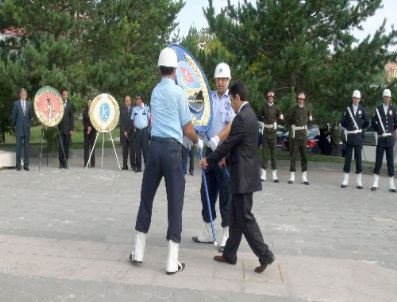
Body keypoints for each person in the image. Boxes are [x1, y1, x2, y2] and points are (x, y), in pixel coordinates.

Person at [130, 47, 203, 275]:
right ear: (175, 70)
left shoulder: (154, 92)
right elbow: (187, 127)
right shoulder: (179, 93)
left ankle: (138, 252)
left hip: (154, 149)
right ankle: (172, 262)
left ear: (160, 68)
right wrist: (198, 141)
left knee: (146, 199)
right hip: (173, 151)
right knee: (175, 203)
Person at [199, 81, 275, 273]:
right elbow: (243, 146)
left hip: (243, 177)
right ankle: (230, 254)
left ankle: (265, 254)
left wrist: (209, 159)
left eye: (231, 100)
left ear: (238, 98)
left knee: (245, 218)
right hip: (242, 172)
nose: (230, 104)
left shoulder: (241, 118)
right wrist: (228, 159)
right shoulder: (251, 115)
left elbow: (229, 144)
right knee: (234, 217)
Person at [192, 62, 235, 252]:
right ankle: (209, 230)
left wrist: (219, 137)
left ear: (228, 80)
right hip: (209, 150)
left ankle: (226, 233)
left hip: (224, 150)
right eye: (218, 79)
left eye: (224, 79)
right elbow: (196, 112)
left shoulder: (231, 99)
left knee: (225, 192)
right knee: (206, 190)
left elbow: (232, 125)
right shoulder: (208, 97)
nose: (221, 82)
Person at [340, 90, 369, 189]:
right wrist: (349, 127)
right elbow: (343, 122)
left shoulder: (362, 109)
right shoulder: (348, 109)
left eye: (357, 98)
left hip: (358, 137)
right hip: (350, 137)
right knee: (347, 159)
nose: (355, 100)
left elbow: (367, 121)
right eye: (354, 98)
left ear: (359, 99)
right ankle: (345, 180)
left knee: (358, 159)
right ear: (352, 99)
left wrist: (360, 128)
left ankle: (359, 181)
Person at [370, 89, 397, 192]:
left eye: (388, 97)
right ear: (383, 97)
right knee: (378, 161)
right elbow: (373, 123)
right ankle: (375, 183)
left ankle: (391, 185)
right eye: (385, 97)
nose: (386, 98)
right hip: (381, 139)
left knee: (390, 162)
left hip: (389, 139)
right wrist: (380, 131)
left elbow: (396, 123)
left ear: (390, 98)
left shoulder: (393, 109)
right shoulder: (378, 109)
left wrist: (389, 131)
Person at [258, 91, 284, 182]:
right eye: (269, 97)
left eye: (272, 97)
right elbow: (259, 116)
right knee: (264, 154)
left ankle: (274, 176)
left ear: (273, 98)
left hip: (273, 132)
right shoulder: (264, 107)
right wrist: (262, 122)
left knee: (273, 154)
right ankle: (263, 175)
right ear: (267, 98)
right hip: (265, 132)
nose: (270, 98)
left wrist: (278, 122)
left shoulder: (276, 108)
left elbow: (281, 117)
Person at [288, 92, 313, 185]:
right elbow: (289, 119)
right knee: (293, 155)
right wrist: (293, 127)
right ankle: (292, 176)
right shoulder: (294, 109)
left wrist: (309, 122)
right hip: (296, 134)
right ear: (297, 99)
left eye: (302, 99)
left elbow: (310, 121)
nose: (301, 100)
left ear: (304, 100)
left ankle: (304, 177)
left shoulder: (307, 109)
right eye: (299, 99)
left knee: (304, 156)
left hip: (303, 134)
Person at [12, 88, 32, 171]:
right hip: (19, 129)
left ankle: (26, 165)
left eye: (25, 94)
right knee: (18, 147)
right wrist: (15, 126)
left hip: (26, 129)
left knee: (27, 148)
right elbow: (14, 117)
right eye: (22, 94)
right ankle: (18, 165)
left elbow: (30, 116)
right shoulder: (16, 104)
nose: (24, 96)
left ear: (26, 95)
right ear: (20, 95)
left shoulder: (29, 104)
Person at [132, 94, 150, 173]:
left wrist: (147, 128)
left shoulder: (146, 108)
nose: (137, 101)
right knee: (137, 150)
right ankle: (138, 167)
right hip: (137, 131)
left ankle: (147, 168)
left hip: (144, 131)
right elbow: (133, 119)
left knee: (145, 150)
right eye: (136, 99)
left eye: (139, 99)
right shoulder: (134, 109)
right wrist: (134, 127)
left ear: (141, 100)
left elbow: (149, 119)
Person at [57, 89, 74, 169]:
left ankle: (65, 162)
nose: (64, 96)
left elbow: (72, 118)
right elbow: (56, 115)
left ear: (67, 95)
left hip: (68, 129)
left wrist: (72, 129)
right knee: (61, 146)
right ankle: (60, 163)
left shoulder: (70, 105)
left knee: (67, 146)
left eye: (66, 94)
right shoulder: (59, 104)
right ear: (62, 95)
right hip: (60, 128)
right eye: (63, 94)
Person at [120, 95, 136, 170]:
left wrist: (128, 131)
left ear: (130, 101)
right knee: (124, 151)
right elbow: (121, 122)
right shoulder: (122, 111)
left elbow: (133, 122)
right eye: (126, 101)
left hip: (131, 133)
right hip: (124, 134)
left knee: (132, 151)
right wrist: (124, 131)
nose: (127, 102)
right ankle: (125, 165)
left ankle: (133, 165)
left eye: (128, 101)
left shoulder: (133, 110)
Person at [83, 99, 96, 168]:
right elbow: (83, 122)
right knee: (86, 147)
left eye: (91, 102)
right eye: (88, 102)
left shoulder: (94, 112)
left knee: (92, 147)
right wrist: (87, 127)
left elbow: (95, 121)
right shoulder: (84, 112)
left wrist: (90, 128)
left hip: (93, 132)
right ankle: (86, 163)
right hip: (86, 132)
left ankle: (93, 163)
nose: (89, 104)